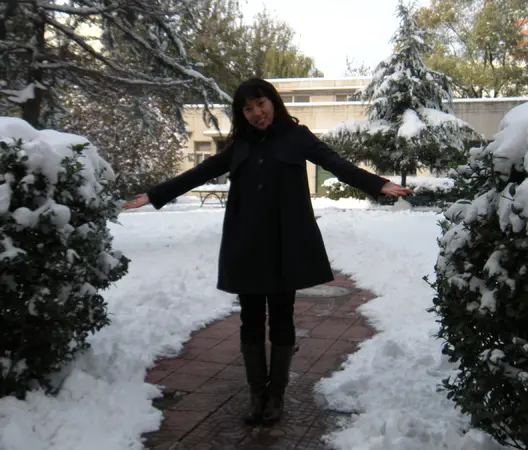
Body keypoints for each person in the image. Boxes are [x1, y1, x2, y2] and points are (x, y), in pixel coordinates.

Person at [123, 79, 412, 426]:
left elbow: (336, 163)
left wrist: (378, 183)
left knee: (281, 318)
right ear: (241, 114)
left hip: (284, 244)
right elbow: (201, 172)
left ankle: (276, 395)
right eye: (248, 108)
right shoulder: (240, 145)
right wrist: (155, 195)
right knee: (250, 320)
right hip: (246, 245)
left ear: (273, 102)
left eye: (261, 104)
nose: (257, 113)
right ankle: (256, 394)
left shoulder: (296, 136)